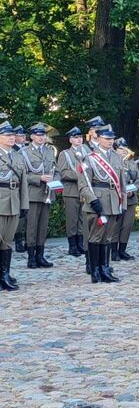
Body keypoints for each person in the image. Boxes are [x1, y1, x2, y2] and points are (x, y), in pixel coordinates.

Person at [79, 127, 127, 283]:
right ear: (98, 138)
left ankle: (105, 269)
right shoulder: (90, 158)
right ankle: (95, 271)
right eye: (107, 138)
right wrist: (93, 201)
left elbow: (122, 184)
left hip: (114, 201)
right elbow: (84, 184)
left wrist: (123, 205)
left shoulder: (117, 157)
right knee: (96, 236)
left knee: (108, 237)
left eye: (112, 138)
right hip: (98, 201)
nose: (110, 141)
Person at [20, 123, 56, 269]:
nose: (41, 137)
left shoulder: (49, 151)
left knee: (43, 226)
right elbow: (22, 174)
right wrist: (38, 178)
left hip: (47, 193)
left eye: (43, 135)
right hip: (33, 193)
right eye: (38, 135)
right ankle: (31, 257)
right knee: (32, 226)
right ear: (32, 136)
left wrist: (55, 179)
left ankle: (40, 255)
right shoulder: (24, 152)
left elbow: (56, 170)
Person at [0, 121, 29, 290]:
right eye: (7, 135)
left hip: (14, 201)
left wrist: (24, 204)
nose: (11, 138)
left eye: (12, 135)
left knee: (7, 241)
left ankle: (5, 274)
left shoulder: (18, 156)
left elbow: (23, 182)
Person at [58, 127, 88, 258]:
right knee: (72, 219)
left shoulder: (86, 152)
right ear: (70, 140)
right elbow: (63, 172)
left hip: (84, 191)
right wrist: (80, 175)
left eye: (80, 137)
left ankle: (80, 243)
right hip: (72, 190)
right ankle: (72, 245)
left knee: (82, 218)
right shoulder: (65, 154)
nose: (79, 139)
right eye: (76, 137)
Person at [111, 137, 139, 261]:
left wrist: (132, 191)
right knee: (116, 225)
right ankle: (113, 251)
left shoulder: (132, 163)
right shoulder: (112, 162)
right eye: (120, 149)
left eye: (125, 148)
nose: (123, 151)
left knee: (127, 225)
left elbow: (137, 179)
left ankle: (122, 250)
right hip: (117, 198)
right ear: (115, 150)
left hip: (130, 198)